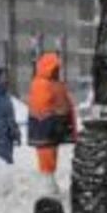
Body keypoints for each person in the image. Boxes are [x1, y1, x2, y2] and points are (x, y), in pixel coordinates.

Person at [26, 51, 76, 184]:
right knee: (46, 160)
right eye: (56, 68)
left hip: (54, 129)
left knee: (51, 158)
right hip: (46, 130)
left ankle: (49, 184)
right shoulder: (41, 84)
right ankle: (47, 186)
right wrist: (54, 119)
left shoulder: (54, 83)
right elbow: (40, 109)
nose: (58, 71)